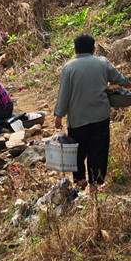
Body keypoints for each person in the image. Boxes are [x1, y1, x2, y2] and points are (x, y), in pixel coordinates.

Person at [54, 33, 131, 190]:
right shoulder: (102, 63)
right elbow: (119, 79)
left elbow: (64, 94)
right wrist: (128, 83)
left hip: (77, 119)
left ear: (75, 50)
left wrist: (59, 116)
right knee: (98, 149)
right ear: (94, 49)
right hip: (100, 116)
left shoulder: (68, 67)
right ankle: (96, 183)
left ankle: (80, 179)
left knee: (78, 150)